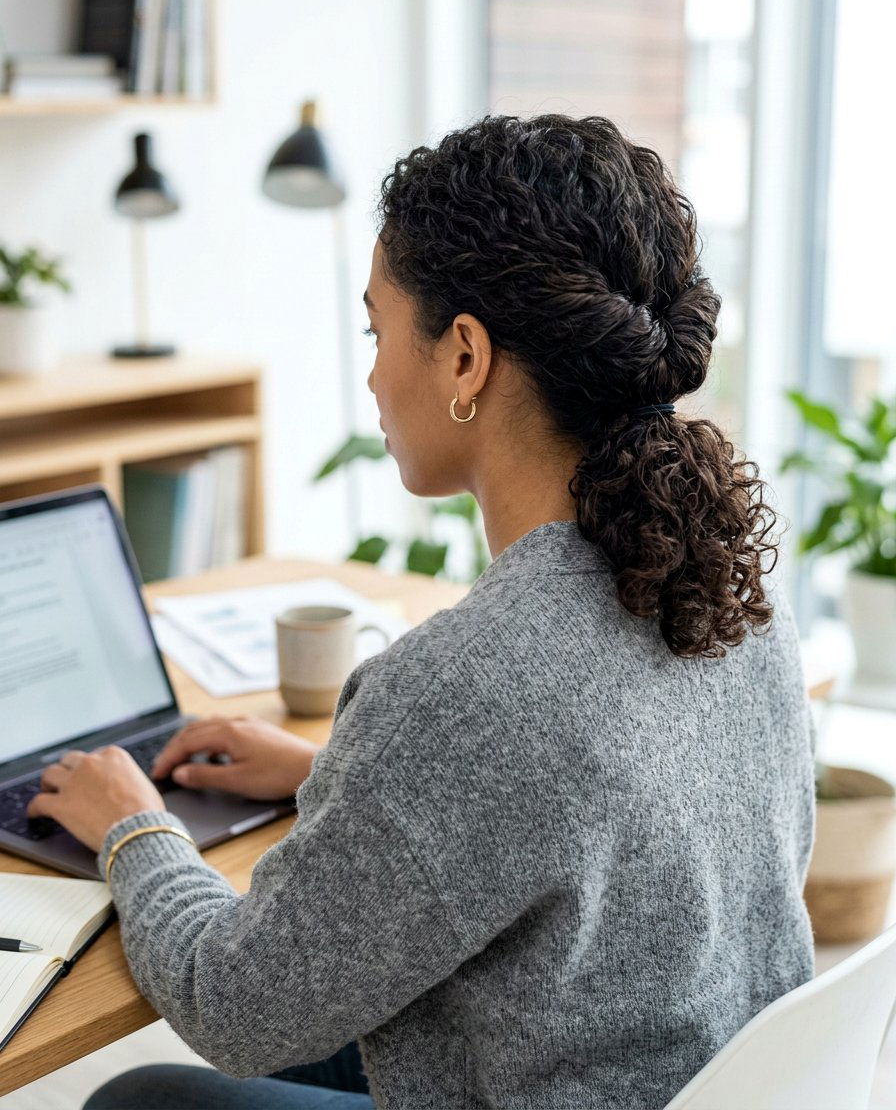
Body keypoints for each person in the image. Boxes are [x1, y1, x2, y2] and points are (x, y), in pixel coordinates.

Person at [30, 114, 815, 1110]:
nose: (370, 372)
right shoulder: (729, 585)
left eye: (377, 331)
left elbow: (231, 1004)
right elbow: (585, 806)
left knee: (139, 1100)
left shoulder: (465, 688)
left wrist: (132, 824)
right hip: (706, 1078)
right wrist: (334, 777)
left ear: (464, 358)